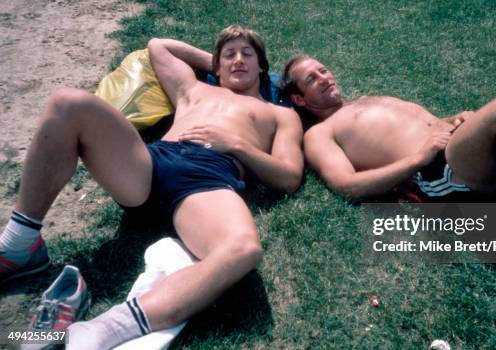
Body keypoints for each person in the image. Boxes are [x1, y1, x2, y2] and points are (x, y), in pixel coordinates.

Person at [0, 25, 303, 349]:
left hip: (206, 182)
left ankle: (101, 330)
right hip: (151, 164)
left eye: (248, 55)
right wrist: (216, 64)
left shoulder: (279, 114)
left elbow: (288, 176)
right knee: (67, 102)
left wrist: (237, 146)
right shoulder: (194, 89)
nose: (238, 60)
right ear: (216, 65)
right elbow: (159, 46)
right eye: (229, 55)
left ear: (262, 65)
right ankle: (21, 245)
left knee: (241, 248)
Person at [282, 55, 496, 305]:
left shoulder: (366, 100)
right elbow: (347, 186)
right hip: (437, 173)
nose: (324, 77)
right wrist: (416, 160)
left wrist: (455, 121)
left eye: (323, 70)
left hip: (455, 146)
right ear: (299, 99)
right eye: (311, 79)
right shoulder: (319, 134)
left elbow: (422, 126)